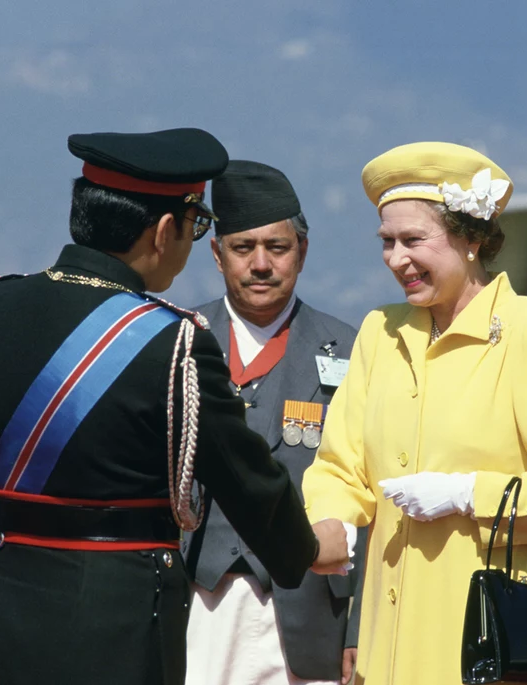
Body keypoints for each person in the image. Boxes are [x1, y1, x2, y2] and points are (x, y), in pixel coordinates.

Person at [0, 128, 351, 685]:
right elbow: (247, 480)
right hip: (121, 628)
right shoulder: (173, 341)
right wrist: (308, 547)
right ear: (165, 229)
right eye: (197, 229)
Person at [301, 141, 527, 685]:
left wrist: (467, 494)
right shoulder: (381, 331)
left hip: (490, 645)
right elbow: (340, 466)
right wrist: (324, 525)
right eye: (387, 242)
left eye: (413, 240)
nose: (396, 259)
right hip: (388, 650)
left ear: (472, 239)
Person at [183, 160, 364, 685]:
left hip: (310, 617)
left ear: (302, 252)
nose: (261, 264)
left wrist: (359, 631)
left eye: (277, 248)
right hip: (195, 607)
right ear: (217, 255)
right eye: (243, 248)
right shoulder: (177, 340)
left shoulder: (353, 351)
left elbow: (374, 497)